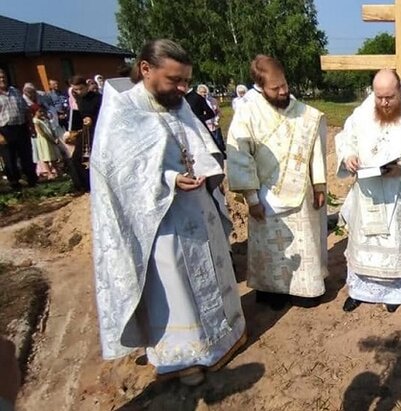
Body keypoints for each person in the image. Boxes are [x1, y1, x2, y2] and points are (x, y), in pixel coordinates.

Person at [91, 39, 247, 386]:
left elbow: (199, 145)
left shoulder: (176, 102)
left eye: (186, 81)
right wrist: (169, 179)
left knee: (214, 271)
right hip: (160, 221)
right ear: (145, 69)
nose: (182, 88)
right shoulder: (123, 112)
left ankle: (222, 339)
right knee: (176, 287)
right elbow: (117, 174)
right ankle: (185, 357)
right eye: (174, 79)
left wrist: (207, 170)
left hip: (198, 207)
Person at [226, 54, 328, 309]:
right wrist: (251, 198)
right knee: (271, 250)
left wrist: (319, 185)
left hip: (301, 193)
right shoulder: (247, 114)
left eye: (285, 84)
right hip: (264, 196)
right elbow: (240, 158)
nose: (283, 91)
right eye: (276, 88)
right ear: (260, 87)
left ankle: (306, 291)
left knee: (305, 246)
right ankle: (273, 293)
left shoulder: (305, 115)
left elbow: (314, 149)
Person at [336, 69, 401, 313]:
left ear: (400, 92)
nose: (383, 103)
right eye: (379, 97)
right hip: (367, 193)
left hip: (397, 195)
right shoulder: (363, 113)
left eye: (389, 97)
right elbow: (346, 137)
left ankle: (396, 292)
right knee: (364, 242)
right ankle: (360, 291)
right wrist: (348, 155)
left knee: (396, 244)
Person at [0, 69, 37, 191]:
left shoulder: (15, 91)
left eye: (3, 76)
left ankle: (32, 180)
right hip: (5, 130)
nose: (2, 79)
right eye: (0, 77)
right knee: (9, 159)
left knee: (26, 155)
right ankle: (15, 184)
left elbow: (26, 110)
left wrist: (31, 126)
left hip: (21, 128)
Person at [67, 75, 102, 192]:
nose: (78, 91)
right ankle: (83, 185)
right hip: (85, 131)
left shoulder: (98, 98)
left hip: (99, 131)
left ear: (87, 86)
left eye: (80, 88)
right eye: (75, 89)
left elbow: (104, 114)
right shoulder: (79, 99)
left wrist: (93, 119)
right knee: (78, 157)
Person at [31, 104, 61, 179]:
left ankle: (57, 171)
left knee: (53, 156)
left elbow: (50, 128)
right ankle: (49, 173)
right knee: (46, 157)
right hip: (44, 140)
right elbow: (41, 132)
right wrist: (50, 139)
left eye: (42, 111)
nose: (42, 113)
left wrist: (54, 137)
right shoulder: (35, 121)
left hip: (50, 138)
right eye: (39, 111)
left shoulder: (44, 119)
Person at [197, 84, 225, 156]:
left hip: (215, 125)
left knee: (219, 144)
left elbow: (219, 112)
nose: (203, 94)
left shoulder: (212, 100)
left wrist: (217, 119)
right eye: (201, 92)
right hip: (204, 127)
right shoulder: (196, 102)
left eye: (204, 92)